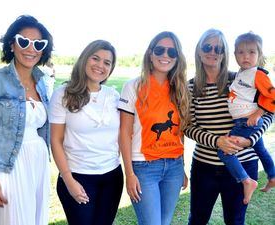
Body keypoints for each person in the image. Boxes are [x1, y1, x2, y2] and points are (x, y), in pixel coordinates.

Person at [184, 28, 274, 225]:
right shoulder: (190, 87)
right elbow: (187, 127)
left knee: (235, 221)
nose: (213, 51)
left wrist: (250, 139)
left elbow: (269, 112)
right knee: (197, 220)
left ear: (225, 53)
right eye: (208, 46)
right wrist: (217, 141)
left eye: (219, 48)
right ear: (199, 51)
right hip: (204, 167)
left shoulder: (243, 79)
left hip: (243, 164)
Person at [0, 15, 53, 225]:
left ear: (43, 49)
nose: (31, 48)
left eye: (38, 44)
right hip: (6, 166)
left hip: (36, 164)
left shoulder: (43, 82)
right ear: (12, 44)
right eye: (23, 41)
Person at [118, 31, 189, 225]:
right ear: (150, 53)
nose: (165, 55)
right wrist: (130, 173)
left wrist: (181, 167)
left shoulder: (180, 89)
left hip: (173, 167)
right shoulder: (133, 86)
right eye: (160, 50)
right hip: (143, 167)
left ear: (177, 57)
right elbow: (124, 133)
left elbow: (179, 133)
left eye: (171, 52)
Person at [49, 40, 123, 225]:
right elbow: (56, 140)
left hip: (112, 176)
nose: (100, 65)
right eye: (95, 58)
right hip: (77, 176)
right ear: (84, 60)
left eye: (107, 62)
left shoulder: (113, 95)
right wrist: (68, 179)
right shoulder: (63, 94)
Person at [217, 32, 275, 202]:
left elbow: (272, 96)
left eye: (251, 52)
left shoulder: (258, 74)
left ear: (259, 54)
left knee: (224, 151)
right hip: (243, 120)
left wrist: (258, 113)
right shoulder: (241, 74)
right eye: (241, 52)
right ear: (234, 55)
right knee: (260, 149)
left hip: (247, 121)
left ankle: (246, 181)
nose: (246, 56)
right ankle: (272, 175)